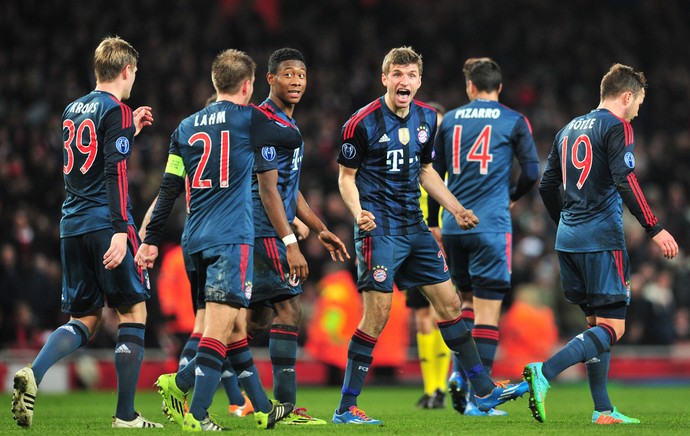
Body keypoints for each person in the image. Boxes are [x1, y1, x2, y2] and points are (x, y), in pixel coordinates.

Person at [333, 46, 528, 425]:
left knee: (451, 305)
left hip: (415, 227)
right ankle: (346, 407)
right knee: (377, 316)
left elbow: (426, 171)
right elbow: (345, 176)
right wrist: (359, 214)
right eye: (397, 74)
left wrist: (455, 208)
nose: (403, 81)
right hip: (380, 229)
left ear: (419, 82)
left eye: (410, 75)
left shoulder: (427, 119)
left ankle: (483, 391)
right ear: (384, 78)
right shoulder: (361, 122)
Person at [135, 48, 301, 431]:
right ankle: (190, 407)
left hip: (194, 243)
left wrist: (151, 239)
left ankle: (262, 408)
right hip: (231, 239)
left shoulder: (185, 127)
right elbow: (291, 137)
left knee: (233, 329)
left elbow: (168, 190)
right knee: (219, 331)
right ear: (248, 86)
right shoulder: (251, 118)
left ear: (216, 82)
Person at [11, 36, 162, 429]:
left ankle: (34, 373)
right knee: (134, 310)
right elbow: (114, 171)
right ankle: (125, 415)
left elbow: (89, 163)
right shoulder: (118, 109)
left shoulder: (72, 109)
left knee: (86, 318)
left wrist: (134, 132)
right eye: (135, 73)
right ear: (127, 70)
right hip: (105, 223)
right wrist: (118, 230)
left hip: (71, 224)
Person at [527, 63, 679, 425]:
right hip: (601, 239)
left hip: (569, 239)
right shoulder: (618, 127)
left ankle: (603, 410)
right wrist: (654, 227)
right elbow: (625, 179)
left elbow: (547, 185)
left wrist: (564, 222)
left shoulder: (567, 129)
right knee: (615, 327)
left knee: (597, 322)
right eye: (639, 101)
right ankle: (544, 373)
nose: (639, 109)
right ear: (627, 96)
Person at [429, 58, 539, 416]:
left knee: (463, 307)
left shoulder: (450, 121)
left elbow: (434, 173)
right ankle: (480, 398)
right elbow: (532, 172)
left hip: (453, 226)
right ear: (499, 88)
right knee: (488, 315)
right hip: (490, 226)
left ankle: (458, 376)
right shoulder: (514, 120)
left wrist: (434, 220)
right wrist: (512, 197)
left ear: (470, 87)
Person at [248, 47, 349, 425]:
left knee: (254, 322)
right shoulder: (265, 122)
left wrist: (320, 228)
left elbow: (290, 188)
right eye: (288, 74)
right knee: (290, 308)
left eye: (301, 75)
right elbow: (268, 190)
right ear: (270, 79)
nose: (296, 81)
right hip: (264, 231)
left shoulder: (286, 125)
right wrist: (291, 242)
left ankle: (190, 373)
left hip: (267, 228)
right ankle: (286, 409)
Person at [405, 102, 450, 410]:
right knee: (421, 318)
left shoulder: (448, 162)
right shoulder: (412, 161)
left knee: (443, 314)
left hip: (442, 243)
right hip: (413, 240)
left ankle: (442, 389)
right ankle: (430, 387)